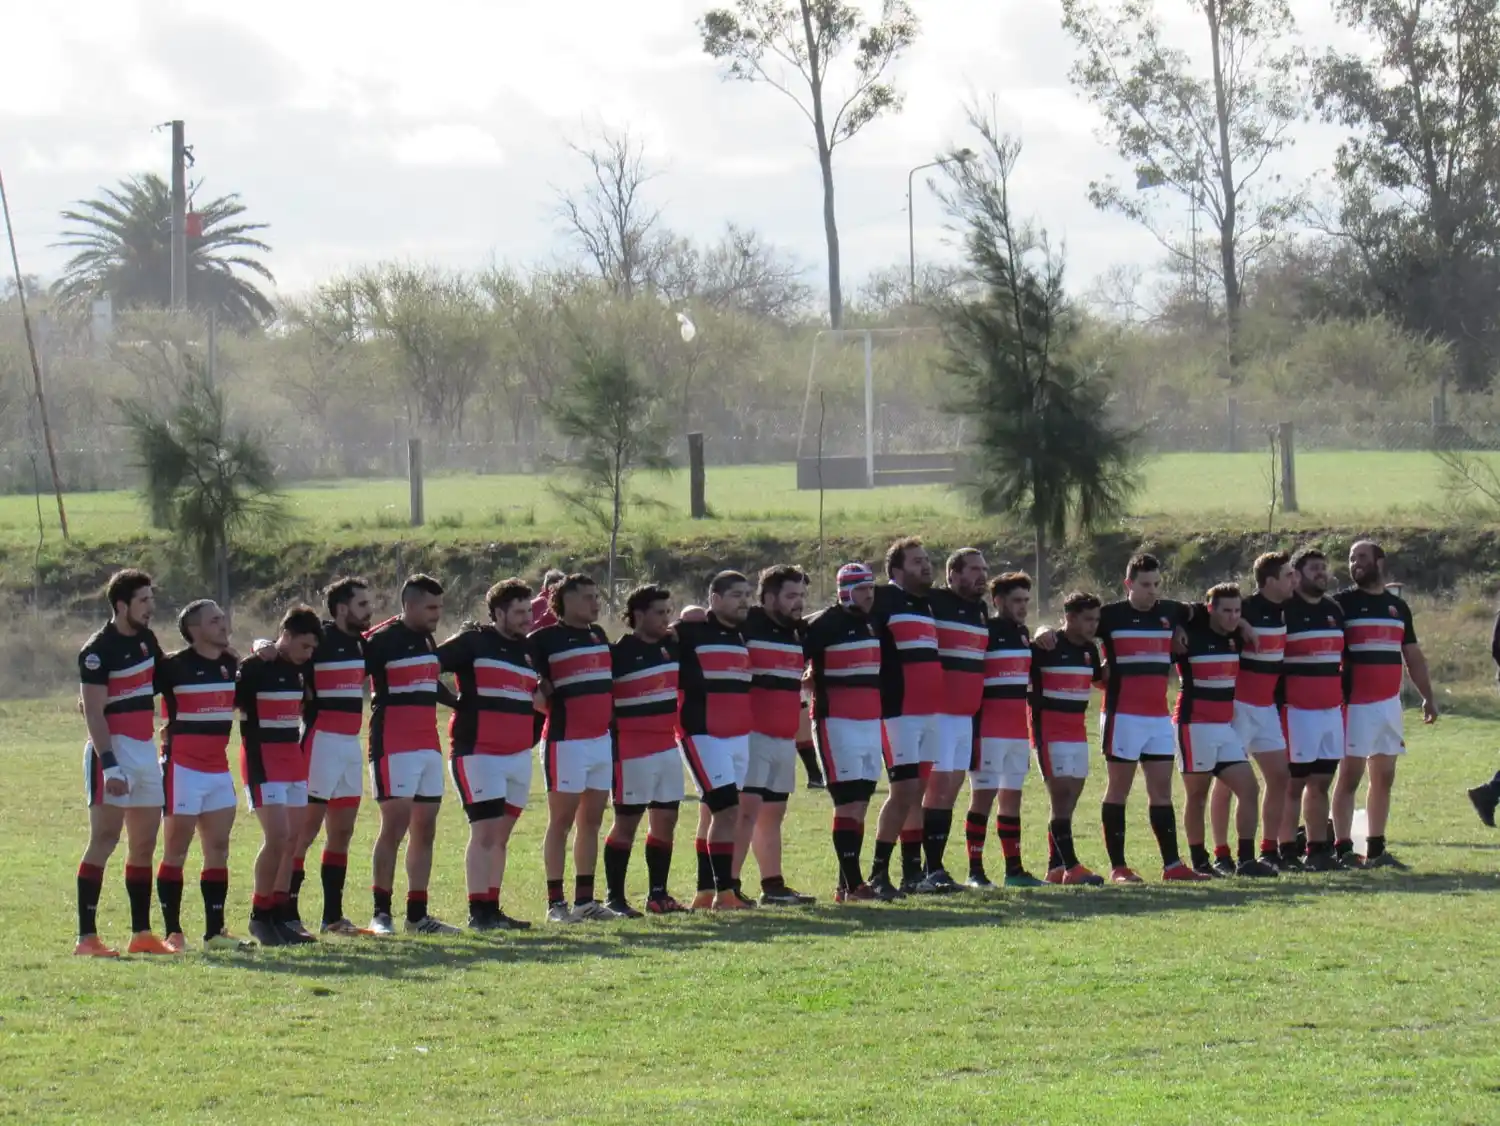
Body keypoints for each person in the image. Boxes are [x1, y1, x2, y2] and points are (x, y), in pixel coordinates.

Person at [1043, 553, 1206, 883]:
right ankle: (1118, 867)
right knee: (1119, 790)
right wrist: (1043, 629)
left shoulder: (1170, 611)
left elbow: (1203, 612)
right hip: (1121, 716)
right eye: (1145, 585)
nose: (1152, 591)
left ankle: (1172, 865)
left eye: (1157, 584)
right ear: (1128, 584)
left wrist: (1179, 628)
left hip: (1158, 717)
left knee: (1162, 792)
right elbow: (1069, 629)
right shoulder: (1110, 616)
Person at [75, 568, 174, 957]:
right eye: (143, 600)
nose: (151, 607)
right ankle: (87, 939)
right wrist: (110, 765)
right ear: (121, 605)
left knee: (144, 844)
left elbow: (166, 677)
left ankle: (141, 934)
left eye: (152, 598)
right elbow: (93, 713)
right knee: (105, 839)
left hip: (145, 750)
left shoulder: (147, 639)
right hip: (112, 752)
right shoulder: (97, 650)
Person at [437, 579, 538, 930]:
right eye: (519, 612)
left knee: (501, 836)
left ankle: (492, 908)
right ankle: (478, 913)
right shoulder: (474, 642)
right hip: (478, 753)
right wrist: (454, 702)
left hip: (518, 756)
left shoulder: (529, 650)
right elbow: (427, 665)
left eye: (529, 611)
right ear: (498, 613)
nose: (527, 618)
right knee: (485, 832)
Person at [364, 575, 462, 934]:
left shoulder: (426, 638)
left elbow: (427, 679)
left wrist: (458, 702)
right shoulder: (382, 640)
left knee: (426, 828)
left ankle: (417, 916)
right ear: (408, 605)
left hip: (428, 744)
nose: (437, 614)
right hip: (393, 743)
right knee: (395, 826)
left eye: (440, 607)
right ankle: (381, 914)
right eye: (430, 607)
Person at [1332, 541, 1437, 867]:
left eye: (1362, 557)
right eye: (1352, 558)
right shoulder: (1341, 604)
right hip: (1354, 704)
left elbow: (1413, 657)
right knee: (1349, 777)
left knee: (1384, 776)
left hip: (1389, 705)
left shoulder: (1398, 607)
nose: (1355, 563)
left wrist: (1428, 697)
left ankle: (1375, 849)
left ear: (1379, 562)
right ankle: (1343, 849)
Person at [156, 600, 249, 951]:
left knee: (219, 849)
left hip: (217, 769)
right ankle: (173, 933)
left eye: (223, 618)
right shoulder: (173, 666)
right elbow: (132, 689)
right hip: (182, 768)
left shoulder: (232, 664)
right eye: (214, 621)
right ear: (194, 630)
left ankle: (214, 933)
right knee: (176, 851)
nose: (224, 624)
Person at [289, 576, 374, 937]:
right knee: (303, 832)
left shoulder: (362, 644)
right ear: (342, 609)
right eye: (362, 605)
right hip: (320, 742)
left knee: (342, 831)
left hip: (349, 744)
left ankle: (332, 917)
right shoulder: (319, 638)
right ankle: (287, 914)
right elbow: (285, 654)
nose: (369, 611)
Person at [1175, 585, 1278, 879]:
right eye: (1227, 611)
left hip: (1224, 727)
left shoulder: (1235, 636)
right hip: (1193, 725)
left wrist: (1243, 624)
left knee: (1249, 789)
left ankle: (1245, 860)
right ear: (1211, 609)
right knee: (1197, 795)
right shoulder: (1191, 633)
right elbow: (1174, 612)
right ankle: (1200, 861)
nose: (1233, 617)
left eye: (1237, 611)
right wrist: (1176, 629)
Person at [805, 563, 893, 902]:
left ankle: (846, 886)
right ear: (845, 592)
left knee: (860, 803)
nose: (868, 595)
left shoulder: (873, 622)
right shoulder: (824, 624)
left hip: (870, 722)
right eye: (861, 590)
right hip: (836, 723)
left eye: (871, 588)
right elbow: (794, 653)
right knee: (846, 804)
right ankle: (855, 885)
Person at [530, 573, 616, 923]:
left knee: (591, 822)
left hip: (600, 741)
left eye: (597, 596)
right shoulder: (543, 639)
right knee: (561, 821)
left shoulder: (598, 635)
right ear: (564, 601)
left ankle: (585, 901)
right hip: (565, 742)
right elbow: (531, 687)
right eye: (587, 597)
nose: (596, 603)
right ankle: (556, 904)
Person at [237, 606, 324, 946]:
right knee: (277, 837)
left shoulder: (302, 668)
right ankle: (259, 916)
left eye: (313, 648)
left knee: (293, 841)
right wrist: (259, 645)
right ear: (285, 636)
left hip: (293, 760)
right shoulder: (257, 666)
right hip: (263, 760)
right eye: (304, 646)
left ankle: (277, 914)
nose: (309, 653)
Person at [867, 537, 945, 897]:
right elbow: (833, 615)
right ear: (896, 570)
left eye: (927, 559)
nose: (926, 566)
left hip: (929, 713)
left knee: (918, 792)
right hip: (897, 713)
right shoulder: (882, 598)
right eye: (917, 561)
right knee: (902, 791)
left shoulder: (927, 603)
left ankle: (912, 874)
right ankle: (877, 874)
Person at [603, 584, 687, 916]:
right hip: (631, 748)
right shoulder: (618, 653)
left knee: (666, 819)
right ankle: (615, 898)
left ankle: (658, 895)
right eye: (659, 613)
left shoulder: (672, 645)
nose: (666, 619)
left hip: (667, 745)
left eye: (669, 612)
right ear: (638, 615)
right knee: (627, 822)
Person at [1208, 552, 1293, 873]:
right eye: (1288, 575)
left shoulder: (1286, 608)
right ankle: (1221, 854)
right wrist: (1242, 622)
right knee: (1228, 781)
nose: (1294, 581)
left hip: (1266, 707)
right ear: (1270, 581)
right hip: (1238, 707)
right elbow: (1205, 614)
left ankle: (1269, 850)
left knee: (1280, 776)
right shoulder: (1245, 608)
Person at [676, 571, 756, 910]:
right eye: (736, 595)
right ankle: (725, 894)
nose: (744, 601)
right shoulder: (690, 631)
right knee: (727, 810)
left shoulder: (744, 632)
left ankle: (705, 892)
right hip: (703, 734)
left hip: (738, 735)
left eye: (747, 594)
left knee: (713, 813)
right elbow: (656, 634)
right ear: (715, 599)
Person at [740, 565, 816, 906]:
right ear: (769, 598)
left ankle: (772, 886)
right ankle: (727, 888)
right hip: (750, 735)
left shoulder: (799, 631)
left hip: (783, 737)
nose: (798, 602)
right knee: (746, 813)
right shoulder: (747, 622)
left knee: (773, 814)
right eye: (791, 596)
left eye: (801, 595)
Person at [965, 572, 1046, 889]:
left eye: (1026, 600)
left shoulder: (1023, 633)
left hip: (1017, 731)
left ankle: (1014, 871)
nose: (1023, 606)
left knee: (1012, 800)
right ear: (997, 601)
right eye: (1016, 600)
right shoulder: (985, 631)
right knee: (982, 799)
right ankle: (975, 872)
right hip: (988, 730)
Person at [920, 548, 990, 893]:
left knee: (950, 791)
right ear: (952, 574)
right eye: (974, 569)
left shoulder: (980, 609)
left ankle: (934, 867)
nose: (982, 575)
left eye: (984, 569)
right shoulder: (932, 602)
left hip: (965, 715)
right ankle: (926, 869)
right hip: (937, 713)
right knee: (937, 789)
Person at [1280, 549, 1348, 871]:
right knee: (1292, 784)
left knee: (1320, 782)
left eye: (1323, 567)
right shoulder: (1285, 610)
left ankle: (1317, 849)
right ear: (1296, 575)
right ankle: (1284, 850)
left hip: (1330, 711)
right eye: (1313, 568)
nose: (1321, 573)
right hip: (1297, 711)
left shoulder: (1334, 609)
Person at [1032, 593, 1107, 886]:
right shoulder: (1047, 645)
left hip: (1077, 732)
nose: (1093, 625)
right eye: (1088, 619)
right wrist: (1040, 630)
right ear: (1069, 618)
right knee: (1061, 798)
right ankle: (1072, 867)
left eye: (1096, 620)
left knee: (1069, 803)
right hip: (1049, 731)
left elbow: (1100, 679)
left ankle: (1055, 868)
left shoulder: (1090, 649)